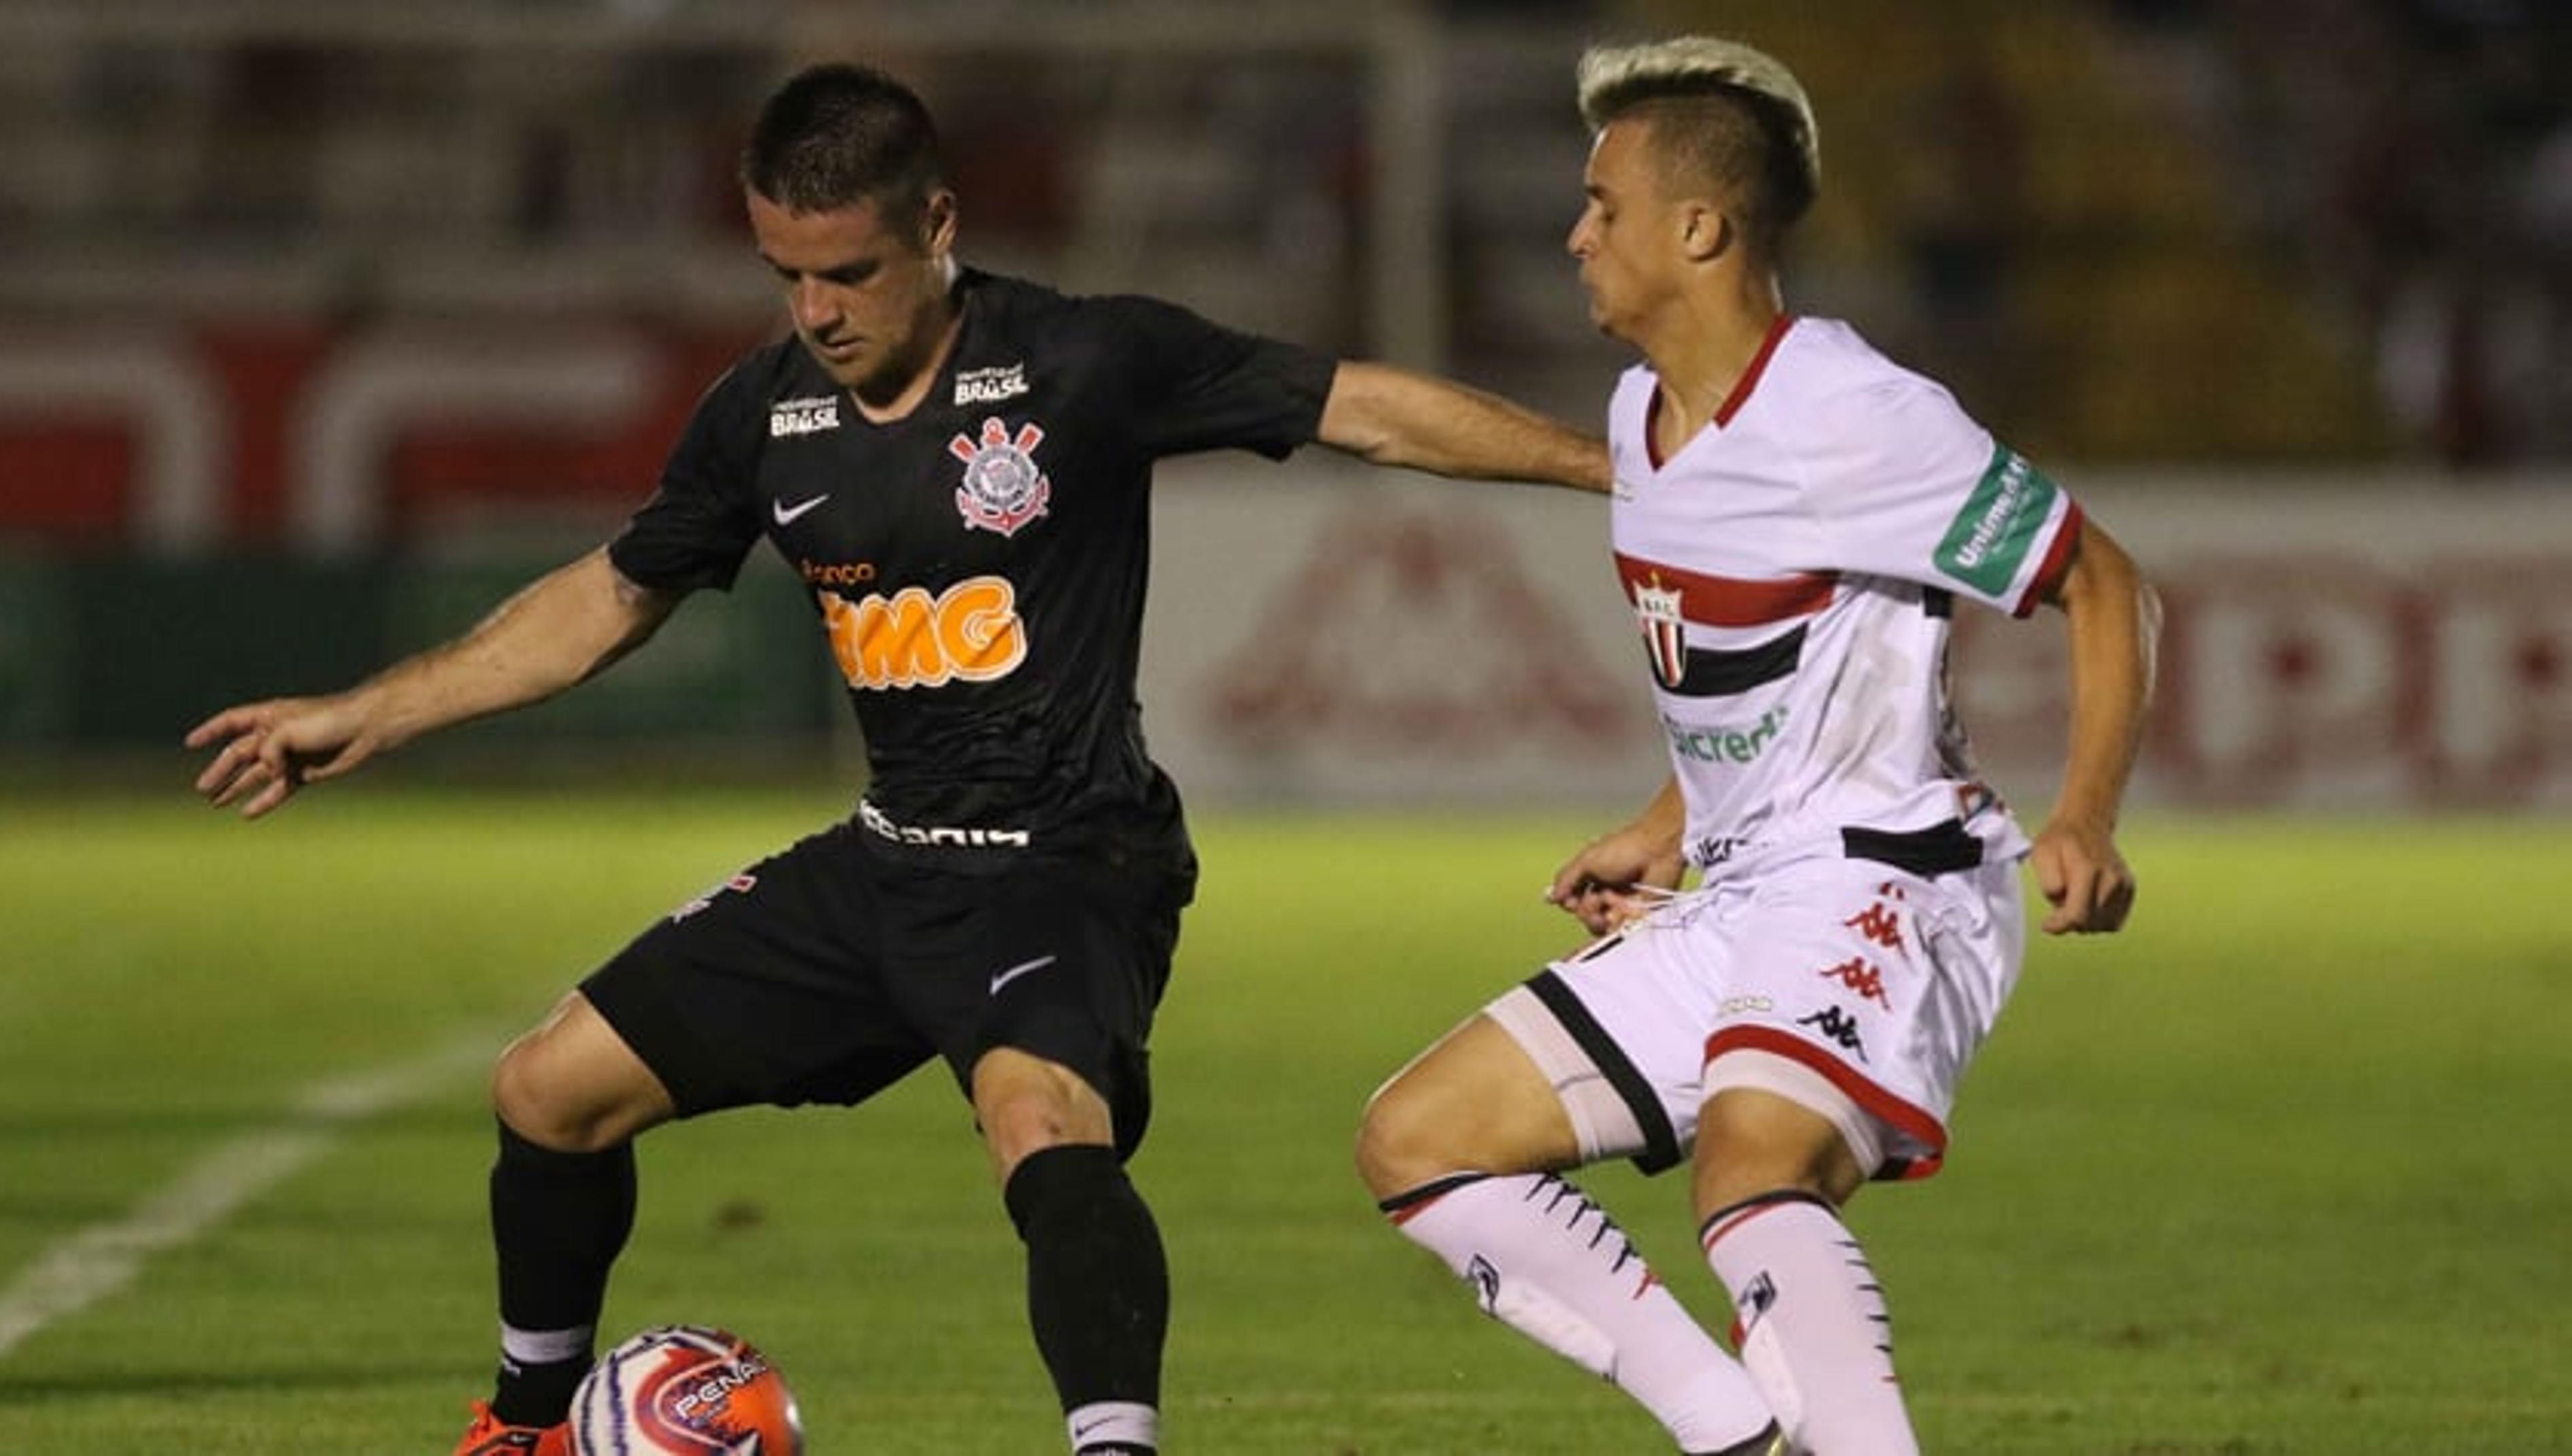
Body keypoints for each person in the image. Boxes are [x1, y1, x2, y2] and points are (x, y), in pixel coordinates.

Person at [186, 62, 1609, 1456]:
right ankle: (520, 1423)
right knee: (545, 1090)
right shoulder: (762, 413)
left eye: (848, 274)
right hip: (885, 862)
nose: (817, 312)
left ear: (937, 228)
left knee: (1038, 1115)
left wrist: (1616, 467)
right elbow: (613, 596)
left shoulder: (1083, 360)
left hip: (1069, 861)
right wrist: (367, 713)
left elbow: (1362, 405)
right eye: (785, 276)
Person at [1354, 36, 2158, 1456]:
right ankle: (1740, 1434)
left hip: (1891, 876)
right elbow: (1765, 677)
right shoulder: (1640, 417)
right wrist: (1670, 821)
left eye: (1603, 205)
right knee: (1421, 1137)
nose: (1576, 233)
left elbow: (2106, 582)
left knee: (1753, 1168)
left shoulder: (1852, 417)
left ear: (1700, 228)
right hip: (1740, 890)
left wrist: (2086, 812)